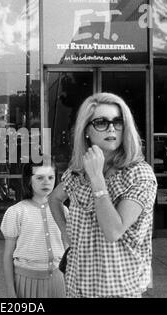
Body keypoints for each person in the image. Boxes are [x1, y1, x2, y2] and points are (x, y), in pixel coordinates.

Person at [49, 92, 157, 298]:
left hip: (117, 288)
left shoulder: (138, 174)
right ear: (86, 130)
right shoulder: (78, 171)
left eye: (118, 122)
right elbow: (54, 198)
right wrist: (66, 232)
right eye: (101, 122)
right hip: (77, 284)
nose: (111, 128)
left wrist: (97, 179)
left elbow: (113, 231)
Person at [1, 158, 68, 298]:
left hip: (58, 280)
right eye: (39, 178)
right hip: (26, 281)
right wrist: (10, 291)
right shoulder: (16, 212)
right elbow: (8, 255)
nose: (46, 182)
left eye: (51, 177)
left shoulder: (64, 211)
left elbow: (67, 247)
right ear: (28, 180)